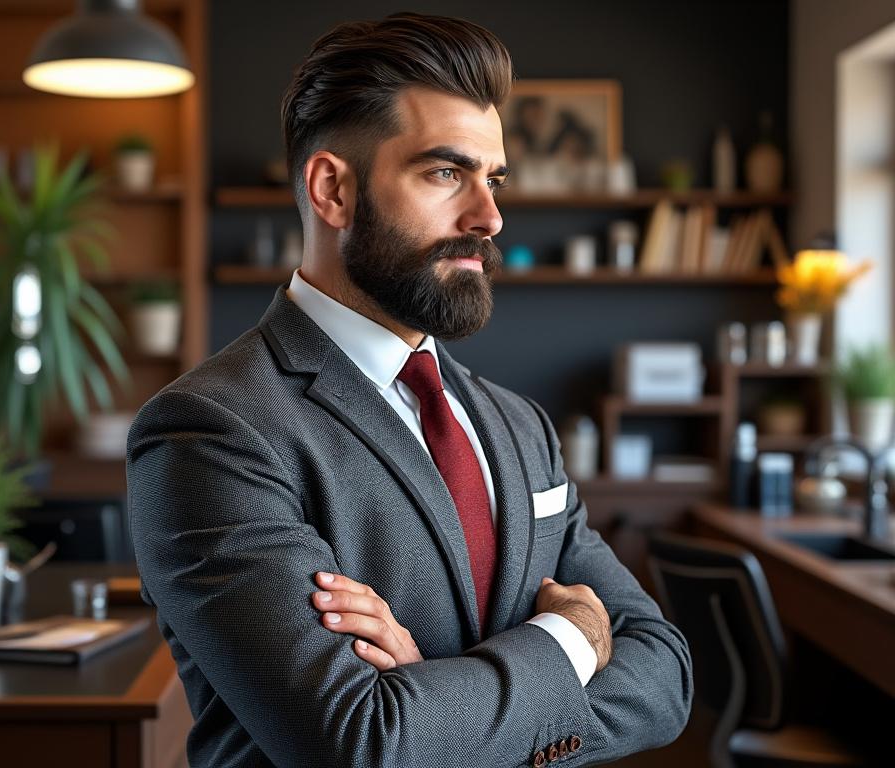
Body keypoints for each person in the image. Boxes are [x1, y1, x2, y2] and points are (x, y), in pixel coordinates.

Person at [128, 12, 692, 768]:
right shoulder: (211, 431)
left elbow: (666, 676)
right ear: (332, 189)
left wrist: (431, 699)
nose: (488, 216)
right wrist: (570, 640)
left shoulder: (519, 426)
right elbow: (360, 743)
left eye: (493, 179)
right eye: (444, 173)